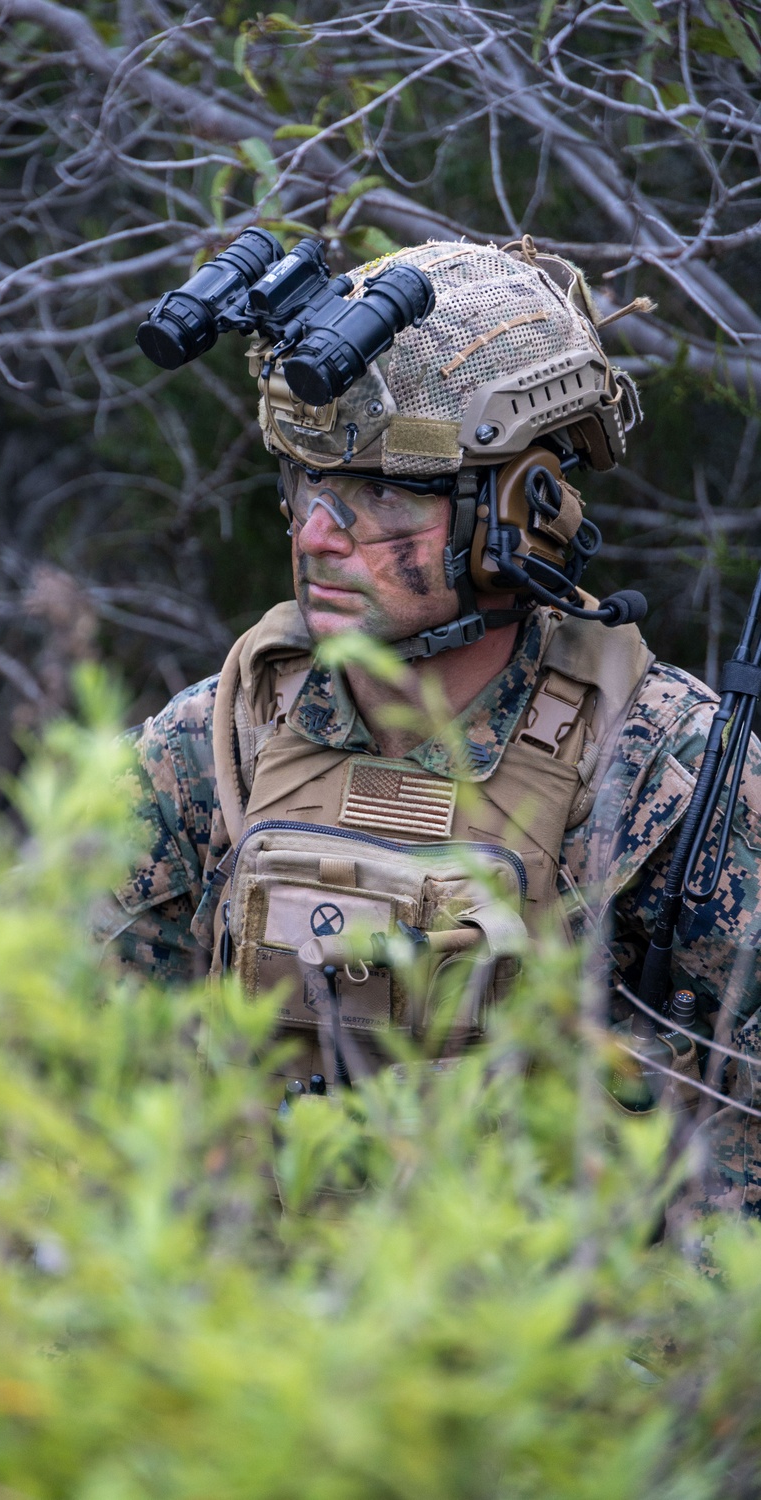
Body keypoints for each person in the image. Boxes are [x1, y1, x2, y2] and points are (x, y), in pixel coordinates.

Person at [96, 237, 761, 1218]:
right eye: (304, 484)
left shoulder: (671, 779)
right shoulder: (212, 746)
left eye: (378, 492)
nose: (319, 534)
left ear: (519, 511)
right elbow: (78, 1081)